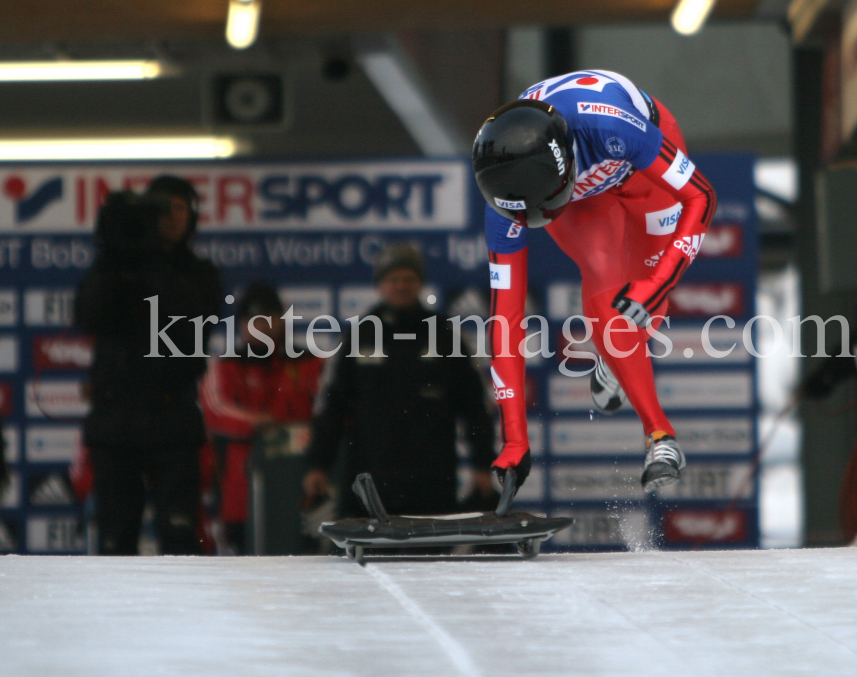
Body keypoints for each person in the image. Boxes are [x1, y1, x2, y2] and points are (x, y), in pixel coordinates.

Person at [473, 70, 716, 495]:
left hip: (642, 167)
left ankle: (616, 352)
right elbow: (505, 322)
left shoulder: (610, 125)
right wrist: (513, 438)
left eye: (540, 210)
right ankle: (661, 438)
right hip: (584, 193)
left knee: (642, 306)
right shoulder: (504, 199)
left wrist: (657, 284)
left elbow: (701, 197)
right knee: (607, 286)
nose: (532, 223)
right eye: (525, 215)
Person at [75, 175, 222, 555]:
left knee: (179, 539)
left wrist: (155, 259)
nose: (170, 217)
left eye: (179, 207)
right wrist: (113, 253)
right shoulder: (115, 267)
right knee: (114, 540)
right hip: (115, 418)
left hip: (173, 416)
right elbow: (90, 317)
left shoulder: (199, 273)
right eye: (160, 208)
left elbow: (186, 322)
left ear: (192, 216)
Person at [303, 243, 496, 516]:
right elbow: (331, 406)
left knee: (430, 559)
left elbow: (475, 405)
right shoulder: (357, 336)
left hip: (432, 482)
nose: (401, 286)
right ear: (380, 285)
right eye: (393, 279)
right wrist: (318, 465)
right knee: (367, 558)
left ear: (420, 283)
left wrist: (482, 464)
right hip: (367, 481)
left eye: (408, 279)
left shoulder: (446, 335)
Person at [200, 282, 324, 553]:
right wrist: (255, 423)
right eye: (254, 319)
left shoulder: (308, 362)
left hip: (300, 485)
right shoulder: (226, 365)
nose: (263, 325)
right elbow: (215, 409)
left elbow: (328, 412)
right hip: (242, 490)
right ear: (242, 324)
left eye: (270, 317)